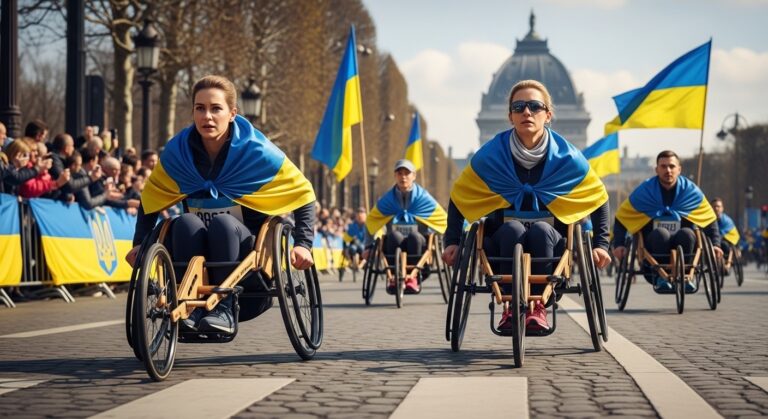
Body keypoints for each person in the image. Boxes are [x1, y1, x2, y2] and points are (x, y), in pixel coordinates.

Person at [126, 75, 316, 334]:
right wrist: (139, 244)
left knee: (223, 223)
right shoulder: (177, 153)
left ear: (232, 113)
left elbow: (303, 193)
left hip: (249, 258)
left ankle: (224, 308)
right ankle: (187, 305)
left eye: (216, 109)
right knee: (184, 222)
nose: (207, 117)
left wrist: (303, 245)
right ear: (192, 112)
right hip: (194, 245)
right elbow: (150, 198)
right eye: (200, 108)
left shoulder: (256, 151)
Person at [443, 79, 611, 332]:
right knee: (513, 231)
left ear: (548, 115)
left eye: (535, 106)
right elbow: (460, 196)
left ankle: (538, 306)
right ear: (510, 116)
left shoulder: (569, 159)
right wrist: (453, 241)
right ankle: (510, 306)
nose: (527, 112)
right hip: (501, 239)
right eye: (519, 106)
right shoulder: (490, 156)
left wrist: (601, 245)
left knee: (541, 231)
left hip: (553, 242)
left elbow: (598, 197)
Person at [612, 150, 722, 292]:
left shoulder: (691, 191)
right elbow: (622, 217)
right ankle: (660, 277)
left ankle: (687, 276)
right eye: (663, 167)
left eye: (671, 166)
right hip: (652, 249)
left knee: (688, 234)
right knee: (661, 234)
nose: (668, 170)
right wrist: (619, 244)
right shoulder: (644, 191)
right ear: (656, 169)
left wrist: (715, 244)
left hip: (685, 243)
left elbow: (709, 219)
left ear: (679, 169)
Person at [363, 159, 447, 294]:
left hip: (419, 242)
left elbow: (443, 219)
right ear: (395, 176)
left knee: (415, 236)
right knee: (394, 236)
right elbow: (371, 220)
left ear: (414, 176)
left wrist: (448, 244)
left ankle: (413, 277)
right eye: (399, 173)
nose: (403, 176)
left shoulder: (423, 198)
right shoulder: (387, 200)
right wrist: (368, 246)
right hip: (394, 243)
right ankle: (394, 277)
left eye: (407, 173)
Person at [711, 197, 740, 271]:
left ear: (722, 208)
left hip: (729, 239)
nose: (716, 208)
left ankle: (726, 262)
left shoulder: (726, 220)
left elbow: (720, 234)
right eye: (714, 206)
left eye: (718, 206)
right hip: (717, 240)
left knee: (724, 245)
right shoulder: (709, 219)